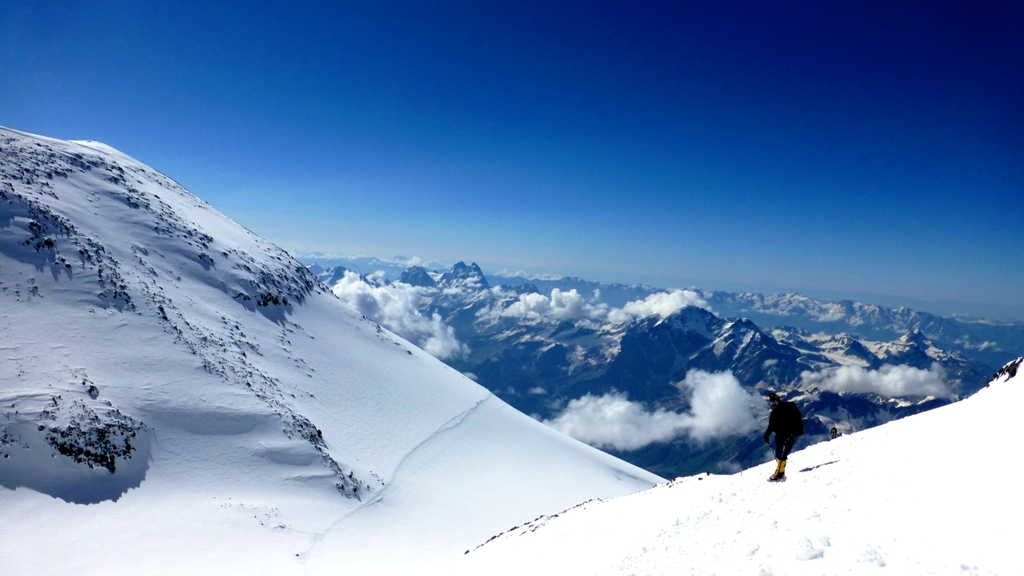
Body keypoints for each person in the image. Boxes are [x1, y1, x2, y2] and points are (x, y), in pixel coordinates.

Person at [763, 392, 803, 482]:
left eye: (775, 402)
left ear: (778, 401)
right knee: (779, 454)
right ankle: (779, 473)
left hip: (788, 437)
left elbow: (791, 423)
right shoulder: (774, 413)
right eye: (772, 402)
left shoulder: (785, 411)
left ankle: (779, 474)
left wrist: (790, 433)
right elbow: (771, 425)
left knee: (782, 455)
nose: (773, 404)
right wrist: (767, 434)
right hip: (780, 436)